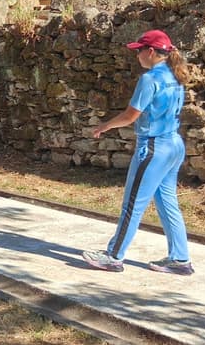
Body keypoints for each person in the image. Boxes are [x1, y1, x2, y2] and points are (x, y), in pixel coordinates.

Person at [82, 29, 194, 275]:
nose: (137, 55)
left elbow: (131, 115)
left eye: (139, 51)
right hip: (174, 144)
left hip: (154, 148)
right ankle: (180, 258)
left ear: (151, 52)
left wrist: (105, 125)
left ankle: (113, 256)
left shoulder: (150, 79)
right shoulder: (175, 75)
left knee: (132, 204)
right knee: (167, 203)